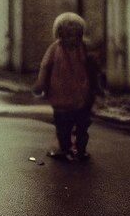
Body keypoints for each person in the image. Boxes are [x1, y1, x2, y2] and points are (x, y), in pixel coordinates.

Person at [32, 12, 103, 162]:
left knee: (82, 126)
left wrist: (97, 87)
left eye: (75, 34)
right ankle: (64, 148)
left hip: (82, 95)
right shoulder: (54, 49)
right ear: (59, 34)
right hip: (61, 96)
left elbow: (93, 68)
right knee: (63, 127)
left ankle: (81, 149)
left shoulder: (84, 48)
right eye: (67, 34)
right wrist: (41, 83)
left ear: (80, 34)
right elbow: (45, 66)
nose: (71, 38)